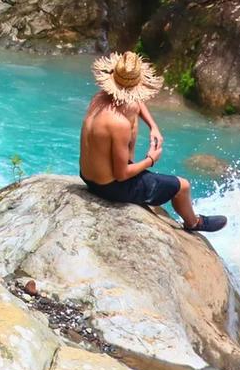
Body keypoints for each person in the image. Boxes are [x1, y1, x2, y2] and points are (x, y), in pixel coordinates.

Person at [79, 51, 226, 234]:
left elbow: (134, 101)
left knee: (132, 110)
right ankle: (194, 223)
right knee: (183, 186)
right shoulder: (119, 124)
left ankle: (133, 167)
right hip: (109, 188)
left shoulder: (99, 99)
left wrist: (153, 126)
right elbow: (121, 175)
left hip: (87, 176)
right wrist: (151, 159)